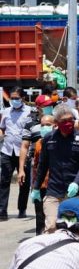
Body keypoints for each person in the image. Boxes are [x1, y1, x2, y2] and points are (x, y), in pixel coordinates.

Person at [31, 105, 79, 233]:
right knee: (51, 227)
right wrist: (36, 188)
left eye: (71, 120)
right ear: (57, 123)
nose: (68, 123)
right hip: (54, 191)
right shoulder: (49, 139)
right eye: (64, 121)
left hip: (77, 192)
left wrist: (76, 182)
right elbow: (43, 165)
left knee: (74, 230)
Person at [0, 87, 33, 220]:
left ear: (22, 98)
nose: (14, 100)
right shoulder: (6, 112)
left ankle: (22, 209)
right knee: (4, 181)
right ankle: (2, 210)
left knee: (23, 183)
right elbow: (2, 128)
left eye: (16, 98)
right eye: (12, 98)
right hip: (7, 150)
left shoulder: (30, 112)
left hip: (23, 152)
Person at [29, 115, 54, 235]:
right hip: (40, 184)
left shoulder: (59, 142)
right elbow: (36, 165)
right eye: (42, 125)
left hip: (55, 184)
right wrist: (34, 186)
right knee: (40, 215)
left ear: (55, 126)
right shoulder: (38, 143)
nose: (44, 127)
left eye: (48, 125)